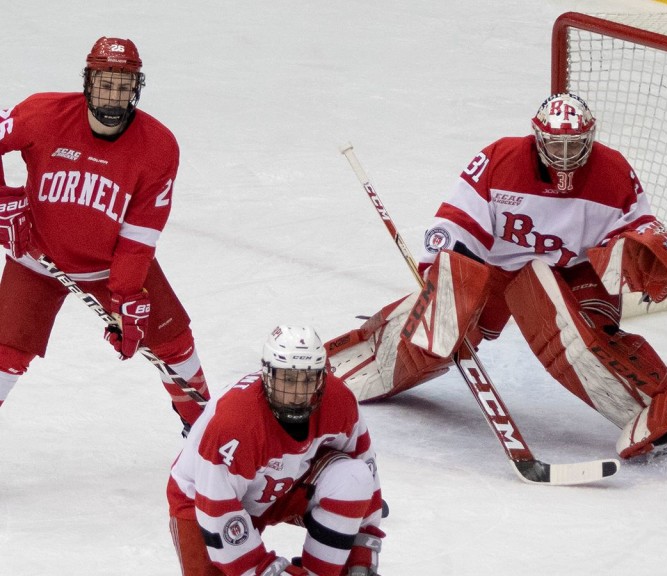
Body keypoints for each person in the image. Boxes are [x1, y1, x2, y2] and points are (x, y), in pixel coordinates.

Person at [330, 93, 667, 461]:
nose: (566, 155)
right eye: (556, 144)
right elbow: (458, 220)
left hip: (575, 273)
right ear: (537, 137)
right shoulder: (500, 159)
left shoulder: (613, 170)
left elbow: (637, 224)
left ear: (591, 137)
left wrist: (645, 248)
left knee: (585, 341)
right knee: (442, 326)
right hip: (499, 270)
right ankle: (362, 363)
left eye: (575, 144)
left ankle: (656, 412)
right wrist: (447, 274)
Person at [0, 37, 209, 429]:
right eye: (104, 84)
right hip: (35, 258)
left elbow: (139, 237)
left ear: (137, 89)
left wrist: (127, 296)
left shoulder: (158, 146)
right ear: (88, 83)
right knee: (4, 354)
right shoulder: (43, 113)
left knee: (173, 344)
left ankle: (205, 436)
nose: (113, 96)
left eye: (123, 86)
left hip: (110, 265)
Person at [168, 325, 385, 576]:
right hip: (201, 501)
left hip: (281, 487)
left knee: (353, 477)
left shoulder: (339, 402)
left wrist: (362, 553)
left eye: (308, 379)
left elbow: (367, 473)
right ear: (268, 375)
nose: (297, 393)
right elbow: (217, 514)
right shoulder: (235, 423)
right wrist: (267, 571)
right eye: (289, 379)